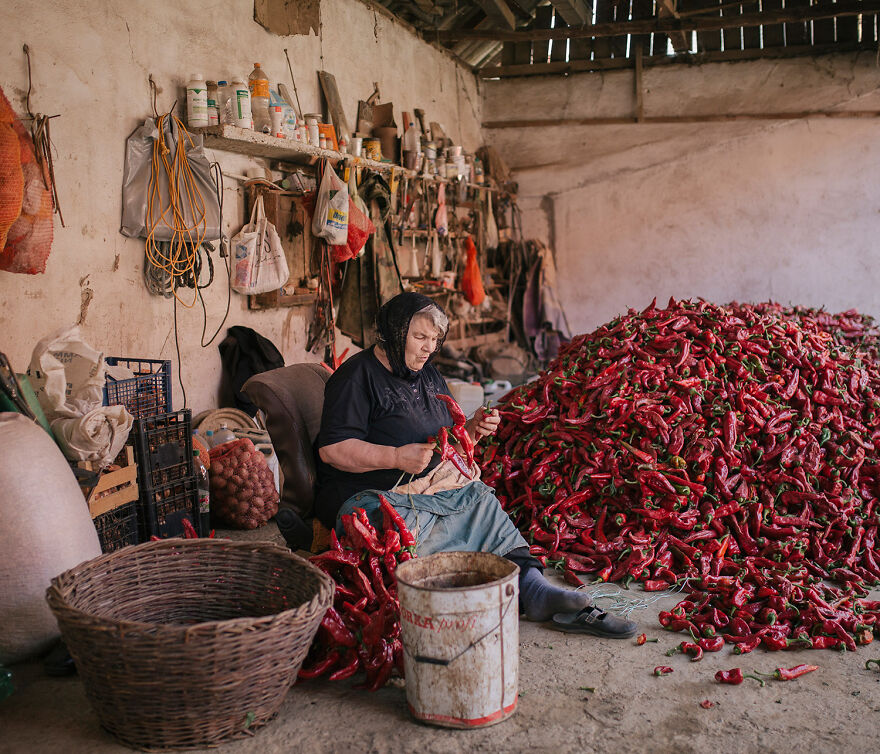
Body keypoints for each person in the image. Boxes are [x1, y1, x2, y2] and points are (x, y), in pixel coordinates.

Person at [315, 292, 636, 638]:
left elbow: (445, 441)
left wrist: (470, 431)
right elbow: (333, 450)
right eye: (419, 337)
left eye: (434, 340)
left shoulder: (427, 375)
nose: (428, 348)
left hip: (432, 486)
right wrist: (394, 457)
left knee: (480, 501)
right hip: (374, 495)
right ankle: (485, 597)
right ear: (393, 333)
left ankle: (534, 589)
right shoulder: (356, 378)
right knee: (411, 530)